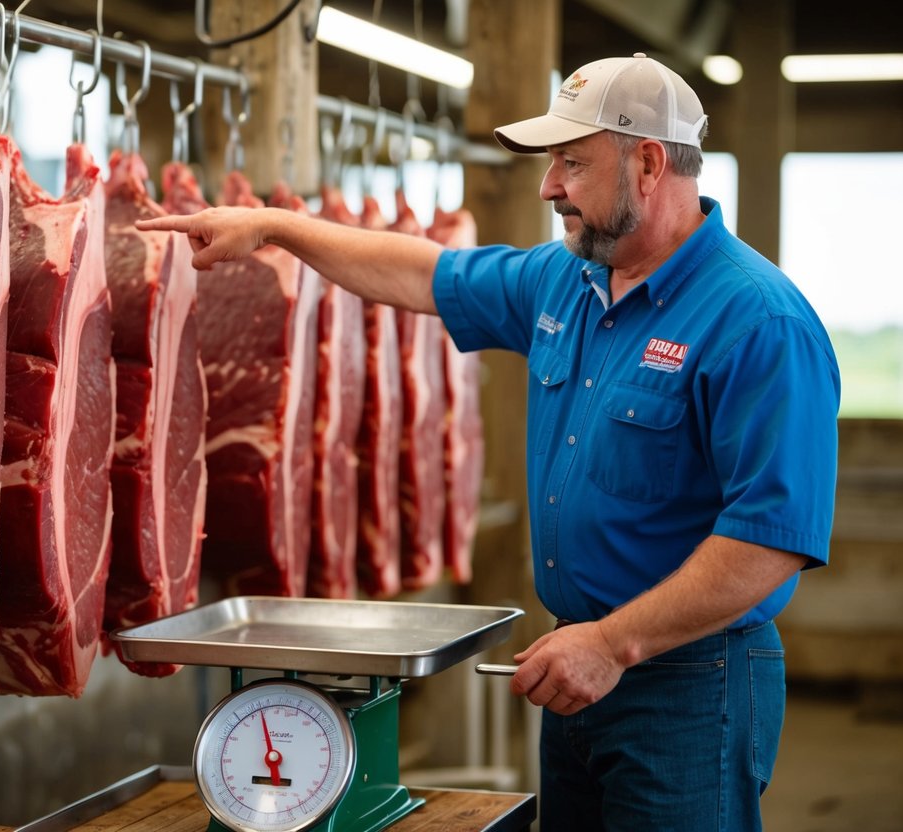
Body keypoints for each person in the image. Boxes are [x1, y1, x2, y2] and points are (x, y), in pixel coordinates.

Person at [137, 52, 840, 832]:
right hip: (579, 667)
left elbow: (765, 544)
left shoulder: (757, 323)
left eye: (571, 164)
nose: (548, 188)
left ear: (647, 164)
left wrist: (612, 644)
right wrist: (273, 227)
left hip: (688, 677)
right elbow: (417, 274)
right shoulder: (564, 282)